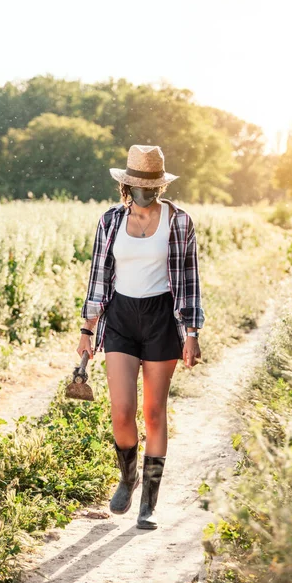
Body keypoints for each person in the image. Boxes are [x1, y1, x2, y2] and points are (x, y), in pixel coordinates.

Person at [77, 144, 204, 530]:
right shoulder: (110, 221)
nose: (143, 193)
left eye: (150, 186)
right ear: (126, 186)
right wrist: (87, 329)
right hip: (120, 317)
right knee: (121, 411)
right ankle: (127, 477)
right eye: (137, 186)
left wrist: (192, 332)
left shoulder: (180, 222)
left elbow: (190, 282)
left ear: (159, 186)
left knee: (153, 411)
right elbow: (98, 278)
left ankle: (148, 502)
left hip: (162, 318)